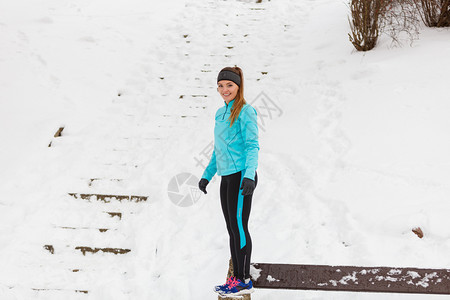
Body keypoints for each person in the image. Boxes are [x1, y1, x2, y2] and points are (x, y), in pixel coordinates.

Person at [198, 66, 259, 297]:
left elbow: (252, 146)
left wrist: (249, 176)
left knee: (240, 227)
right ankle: (236, 278)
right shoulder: (220, 114)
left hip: (243, 176)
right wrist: (207, 175)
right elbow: (218, 150)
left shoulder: (246, 111)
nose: (224, 89)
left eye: (229, 85)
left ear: (238, 86)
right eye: (221, 85)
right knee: (231, 228)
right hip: (226, 177)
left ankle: (243, 280)